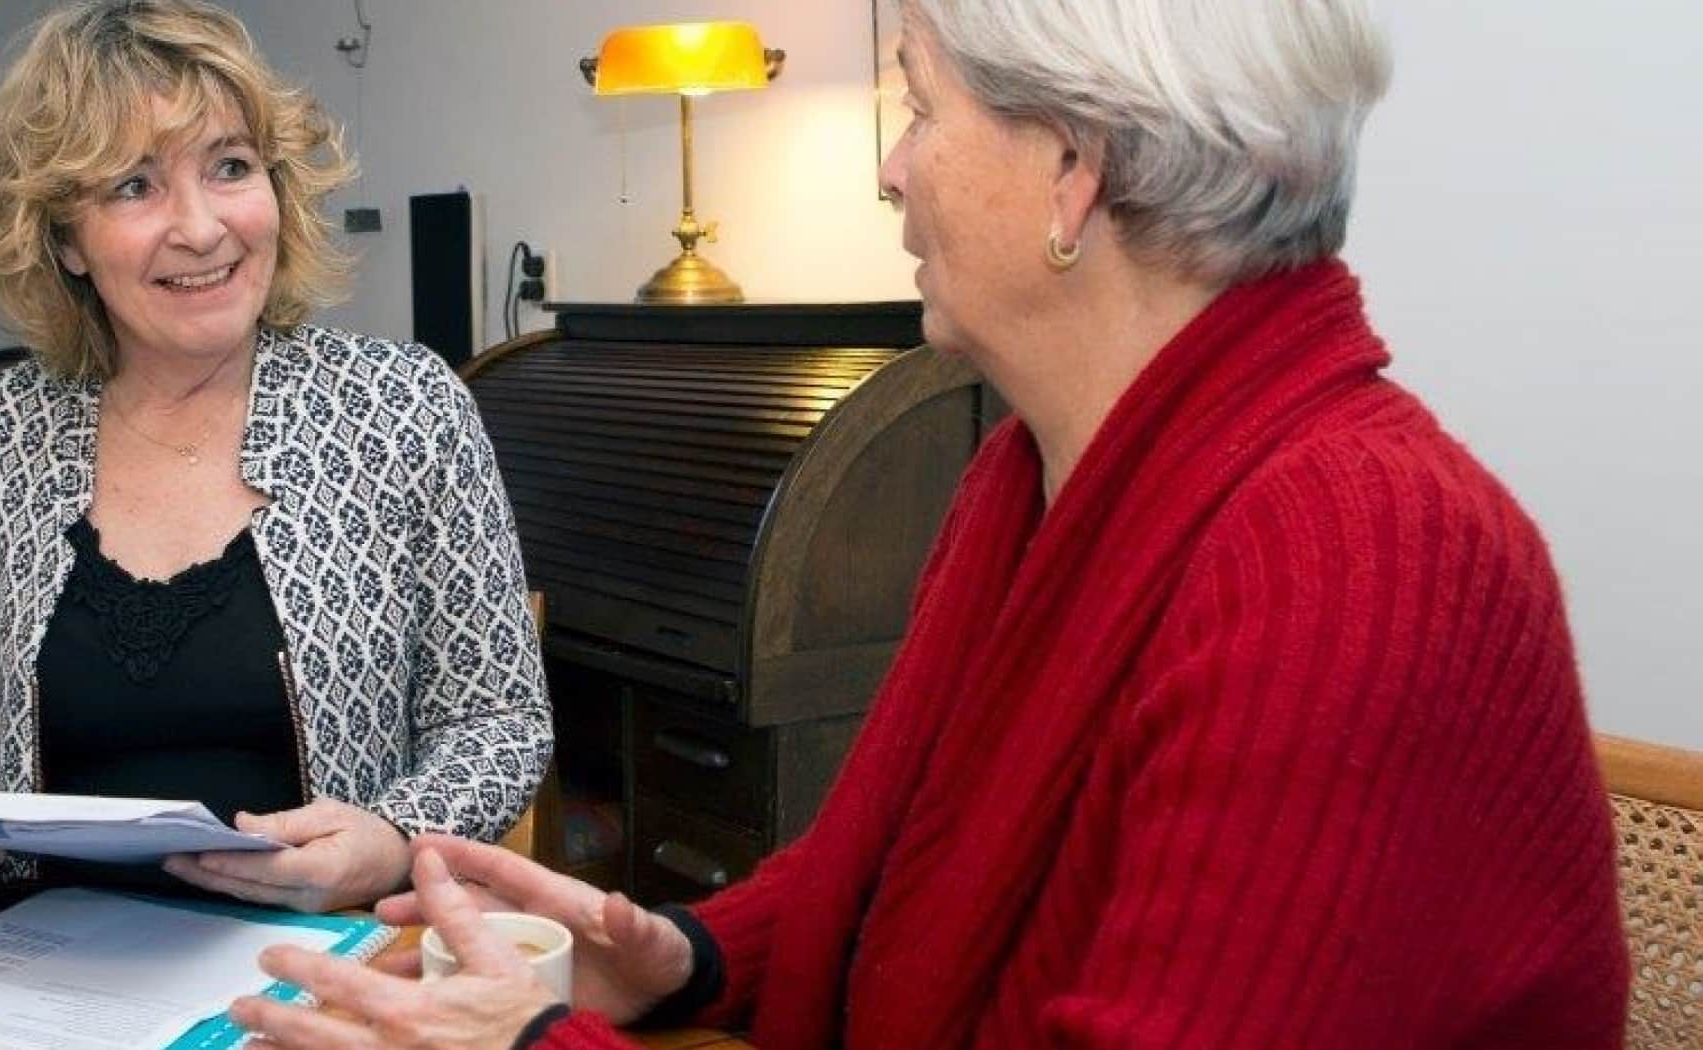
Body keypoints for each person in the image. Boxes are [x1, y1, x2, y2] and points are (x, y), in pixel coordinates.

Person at [231, 0, 1631, 1045]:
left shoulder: (1364, 557)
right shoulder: (1025, 474)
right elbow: (870, 879)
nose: (894, 171)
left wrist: (529, 1041)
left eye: (921, 110)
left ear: (1074, 168)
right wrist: (681, 956)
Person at [0, 0, 551, 921]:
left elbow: (499, 724)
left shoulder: (402, 407)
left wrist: (395, 842)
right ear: (63, 240)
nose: (201, 228)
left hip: (320, 964)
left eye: (231, 167)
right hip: (32, 971)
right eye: (133, 186)